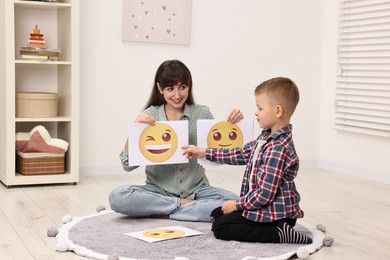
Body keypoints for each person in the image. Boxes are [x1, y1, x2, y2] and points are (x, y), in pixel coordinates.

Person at [109, 59, 242, 222]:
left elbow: (218, 153)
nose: (177, 95)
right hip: (157, 190)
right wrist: (135, 131)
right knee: (118, 197)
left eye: (182, 87)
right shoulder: (150, 115)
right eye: (170, 89)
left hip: (197, 190)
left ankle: (163, 212)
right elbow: (127, 165)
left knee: (235, 203)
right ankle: (186, 207)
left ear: (189, 86)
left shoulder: (203, 113)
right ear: (160, 89)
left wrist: (235, 125)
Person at [182, 77, 312, 243]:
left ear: (278, 111)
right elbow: (240, 153)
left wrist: (237, 204)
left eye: (260, 108)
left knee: (222, 227)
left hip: (276, 216)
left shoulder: (278, 148)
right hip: (263, 209)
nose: (256, 113)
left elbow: (265, 194)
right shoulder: (266, 137)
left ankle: (278, 233)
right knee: (217, 214)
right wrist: (203, 152)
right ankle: (264, 227)